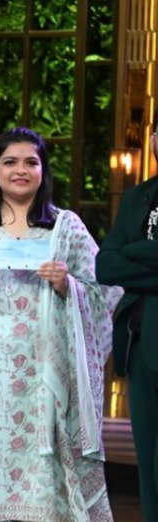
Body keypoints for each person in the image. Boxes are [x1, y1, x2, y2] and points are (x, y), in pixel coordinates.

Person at [0, 127, 121, 522]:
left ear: (43, 171)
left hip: (44, 376)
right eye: (10, 162)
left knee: (42, 476)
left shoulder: (66, 228)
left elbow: (105, 292)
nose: (20, 170)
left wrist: (67, 285)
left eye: (30, 162)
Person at [96, 114, 158, 522]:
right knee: (147, 468)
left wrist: (132, 251)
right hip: (139, 347)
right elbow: (106, 265)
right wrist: (142, 253)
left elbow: (122, 257)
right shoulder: (138, 197)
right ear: (153, 141)